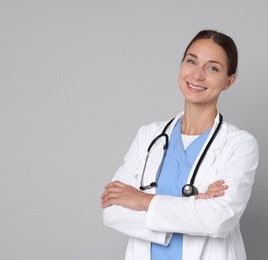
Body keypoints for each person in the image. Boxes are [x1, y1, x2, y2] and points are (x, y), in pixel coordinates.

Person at [101, 30, 259, 260]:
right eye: (191, 61)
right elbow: (113, 211)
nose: (197, 75)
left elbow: (218, 220)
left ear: (229, 81)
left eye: (212, 68)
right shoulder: (148, 136)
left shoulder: (239, 144)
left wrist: (141, 200)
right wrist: (193, 207)